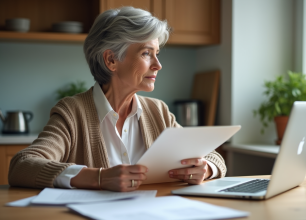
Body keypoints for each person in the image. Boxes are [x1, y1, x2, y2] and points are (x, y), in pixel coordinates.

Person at [8, 7, 227, 192]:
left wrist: (205, 168)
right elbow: (22, 166)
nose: (158, 65)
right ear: (111, 59)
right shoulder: (72, 112)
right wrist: (98, 178)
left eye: (157, 53)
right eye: (146, 53)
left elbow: (214, 157)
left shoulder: (158, 112)